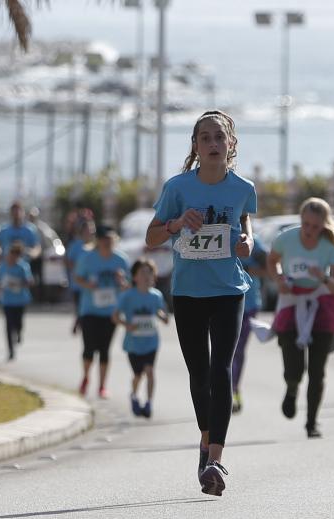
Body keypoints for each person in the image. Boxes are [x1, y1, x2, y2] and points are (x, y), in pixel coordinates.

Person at [145, 110, 256, 497]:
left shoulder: (243, 187)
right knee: (199, 372)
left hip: (228, 288)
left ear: (230, 145)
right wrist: (176, 225)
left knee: (221, 369)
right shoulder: (177, 187)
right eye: (205, 138)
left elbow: (246, 229)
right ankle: (205, 441)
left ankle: (216, 459)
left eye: (219, 138)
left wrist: (248, 243)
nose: (212, 144)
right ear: (195, 145)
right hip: (189, 292)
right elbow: (151, 237)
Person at [266, 198, 334, 439]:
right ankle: (291, 388)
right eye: (305, 224)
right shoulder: (286, 238)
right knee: (294, 366)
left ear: (324, 225)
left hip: (321, 306)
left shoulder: (331, 246)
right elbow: (272, 261)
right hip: (291, 303)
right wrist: (279, 279)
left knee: (317, 370)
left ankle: (312, 422)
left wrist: (322, 277)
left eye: (315, 226)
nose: (309, 231)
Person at [74, 225, 130, 399]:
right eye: (104, 240)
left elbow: (128, 285)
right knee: (89, 349)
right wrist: (88, 285)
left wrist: (122, 282)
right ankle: (85, 377)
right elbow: (77, 277)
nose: (107, 243)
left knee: (105, 350)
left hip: (111, 312)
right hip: (89, 310)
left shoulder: (121, 260)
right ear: (98, 241)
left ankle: (102, 386)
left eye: (110, 240)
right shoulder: (88, 257)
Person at [113, 258, 169, 419]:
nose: (146, 276)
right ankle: (134, 395)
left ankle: (149, 403)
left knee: (150, 372)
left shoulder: (156, 296)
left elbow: (162, 313)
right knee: (138, 375)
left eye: (149, 272)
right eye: (142, 272)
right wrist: (126, 325)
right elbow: (115, 317)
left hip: (151, 342)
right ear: (135, 277)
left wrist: (163, 316)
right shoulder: (128, 296)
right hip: (133, 344)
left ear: (154, 276)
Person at [230, 233, 267, 414]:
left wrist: (251, 270)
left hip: (249, 304)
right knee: (224, 351)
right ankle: (224, 391)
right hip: (223, 302)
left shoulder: (255, 242)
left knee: (238, 350)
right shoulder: (218, 234)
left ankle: (234, 389)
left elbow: (269, 269)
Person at [0, 242, 34, 361]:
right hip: (7, 300)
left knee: (18, 323)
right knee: (8, 325)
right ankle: (11, 350)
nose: (12, 257)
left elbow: (29, 282)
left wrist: (18, 283)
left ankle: (18, 333)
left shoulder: (23, 267)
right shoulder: (3, 267)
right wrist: (1, 287)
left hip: (20, 300)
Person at [66, 217, 95, 334]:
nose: (91, 232)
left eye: (92, 229)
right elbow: (68, 261)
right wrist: (79, 269)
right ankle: (80, 324)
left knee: (87, 308)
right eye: (88, 229)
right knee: (79, 307)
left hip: (92, 283)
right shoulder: (75, 245)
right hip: (78, 283)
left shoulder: (95, 245)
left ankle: (78, 323)